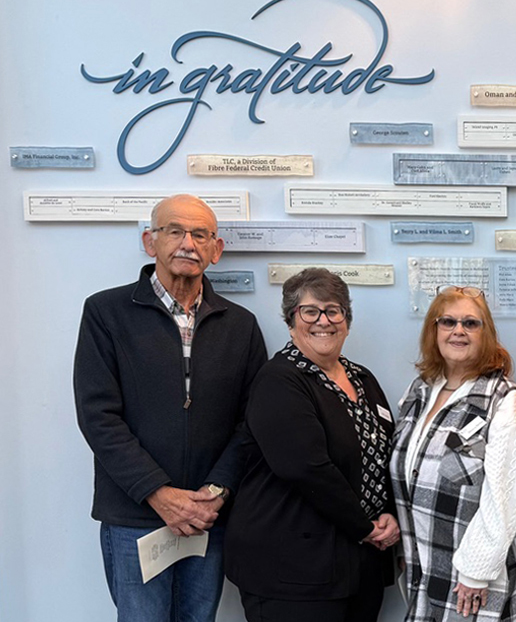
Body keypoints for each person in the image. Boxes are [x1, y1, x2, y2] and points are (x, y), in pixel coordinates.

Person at [73, 194, 268, 622]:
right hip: (135, 514)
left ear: (216, 250)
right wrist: (158, 494)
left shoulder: (241, 325)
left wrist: (214, 494)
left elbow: (252, 422)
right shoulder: (106, 312)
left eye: (201, 234)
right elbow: (97, 416)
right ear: (150, 241)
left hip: (206, 515)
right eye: (175, 231)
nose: (188, 243)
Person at [225, 269, 398, 622]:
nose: (324, 321)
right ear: (291, 322)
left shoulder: (363, 379)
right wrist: (366, 528)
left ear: (347, 321)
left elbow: (388, 454)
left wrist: (390, 515)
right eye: (310, 311)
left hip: (359, 564)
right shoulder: (280, 380)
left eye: (334, 310)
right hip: (293, 571)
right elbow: (305, 468)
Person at [391, 286, 516, 622]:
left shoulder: (503, 398)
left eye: (471, 323)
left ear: (486, 335)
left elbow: (505, 494)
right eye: (448, 322)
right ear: (433, 330)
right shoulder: (419, 391)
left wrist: (476, 571)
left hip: (475, 575)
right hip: (423, 562)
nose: (458, 331)